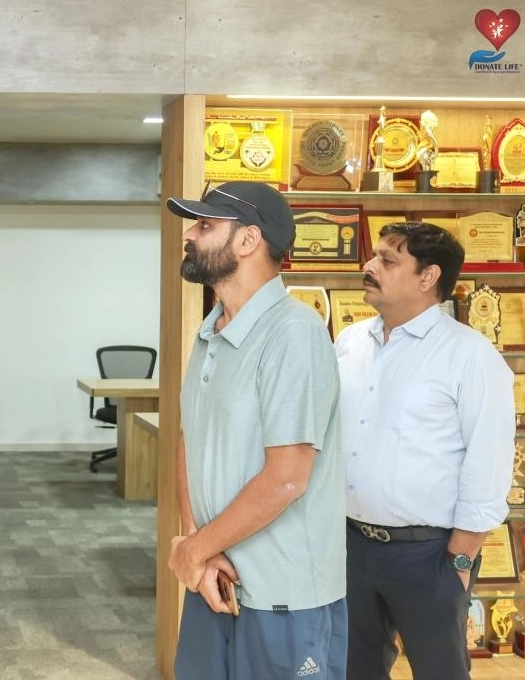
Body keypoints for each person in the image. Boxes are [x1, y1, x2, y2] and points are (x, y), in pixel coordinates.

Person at [165, 181, 346, 680]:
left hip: (283, 599)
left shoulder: (294, 333)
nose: (189, 236)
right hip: (216, 579)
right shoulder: (210, 331)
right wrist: (199, 549)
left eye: (205, 225)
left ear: (248, 240)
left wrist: (193, 550)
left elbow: (287, 478)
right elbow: (189, 439)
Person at [335, 221, 514, 680]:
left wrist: (459, 563)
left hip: (429, 556)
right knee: (353, 670)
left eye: (387, 260)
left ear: (428, 277)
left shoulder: (471, 357)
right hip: (351, 546)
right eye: (374, 256)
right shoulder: (350, 343)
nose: (369, 266)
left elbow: (488, 465)